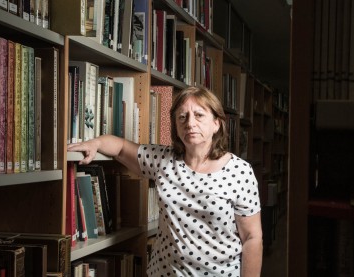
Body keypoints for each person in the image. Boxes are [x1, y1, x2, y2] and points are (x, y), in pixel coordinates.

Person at [68, 86, 263, 276]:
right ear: (175, 126)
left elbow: (252, 238)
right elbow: (120, 147)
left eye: (199, 115)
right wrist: (95, 143)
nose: (190, 123)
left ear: (217, 123)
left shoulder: (240, 172)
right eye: (182, 116)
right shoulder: (162, 159)